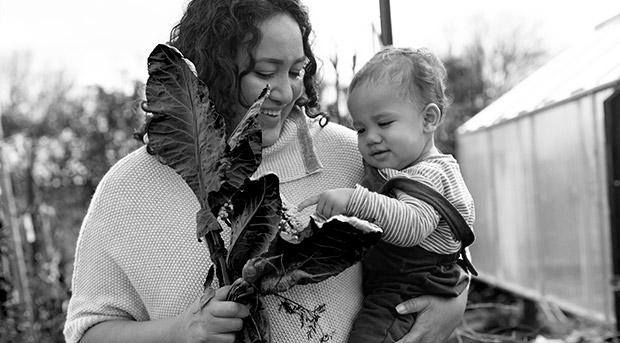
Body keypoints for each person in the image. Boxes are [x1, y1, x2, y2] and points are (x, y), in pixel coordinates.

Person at [63, 1, 469, 342]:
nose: (288, 90)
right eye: (263, 72)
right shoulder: (129, 189)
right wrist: (182, 331)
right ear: (212, 70)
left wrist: (452, 305)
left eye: (295, 71)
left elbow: (445, 240)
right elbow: (87, 332)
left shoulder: (354, 153)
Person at [298, 46, 477, 343]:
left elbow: (411, 226)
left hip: (407, 289)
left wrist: (354, 200)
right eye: (360, 129)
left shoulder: (430, 174)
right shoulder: (406, 168)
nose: (371, 138)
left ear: (429, 119)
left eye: (384, 124)